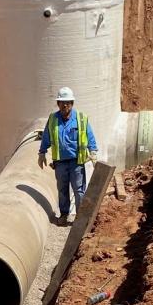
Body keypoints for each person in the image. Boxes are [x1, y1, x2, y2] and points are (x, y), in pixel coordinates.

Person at [38, 86, 98, 225]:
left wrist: (93, 151)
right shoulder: (53, 119)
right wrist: (42, 152)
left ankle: (80, 218)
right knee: (62, 190)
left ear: (72, 103)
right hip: (60, 163)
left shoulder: (81, 118)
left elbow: (89, 135)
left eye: (68, 102)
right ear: (58, 103)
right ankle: (64, 215)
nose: (65, 105)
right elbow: (46, 136)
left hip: (76, 161)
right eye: (62, 102)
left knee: (79, 190)